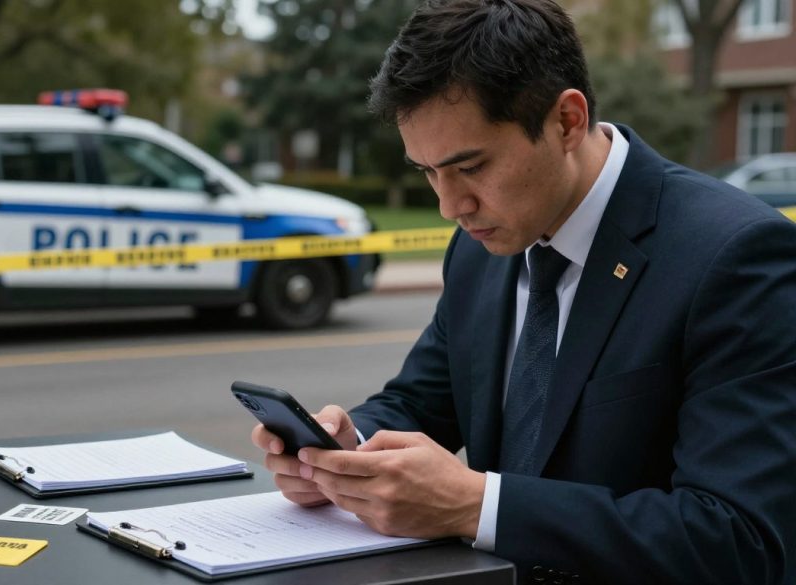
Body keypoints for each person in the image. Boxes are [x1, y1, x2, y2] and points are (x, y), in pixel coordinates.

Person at [250, 0, 796, 583]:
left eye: (471, 167)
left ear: (566, 120)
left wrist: (474, 504)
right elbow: (422, 401)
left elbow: (739, 540)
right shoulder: (481, 247)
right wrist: (341, 450)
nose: (449, 206)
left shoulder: (736, 256)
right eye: (428, 172)